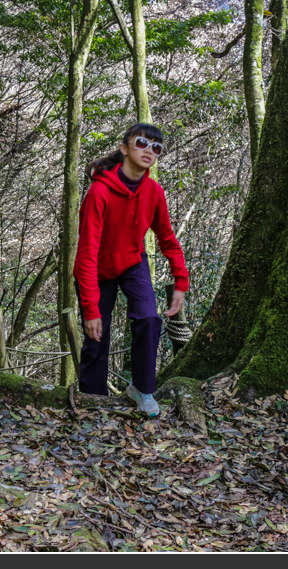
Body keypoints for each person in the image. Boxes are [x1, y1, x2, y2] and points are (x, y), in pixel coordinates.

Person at [73, 122, 189, 417]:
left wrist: (180, 282)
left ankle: (142, 389)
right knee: (97, 335)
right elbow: (86, 254)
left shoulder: (154, 191)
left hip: (133, 261)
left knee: (150, 319)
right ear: (124, 148)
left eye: (156, 147)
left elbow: (167, 238)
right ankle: (92, 399)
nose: (149, 150)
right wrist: (91, 309)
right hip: (96, 268)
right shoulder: (99, 192)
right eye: (141, 143)